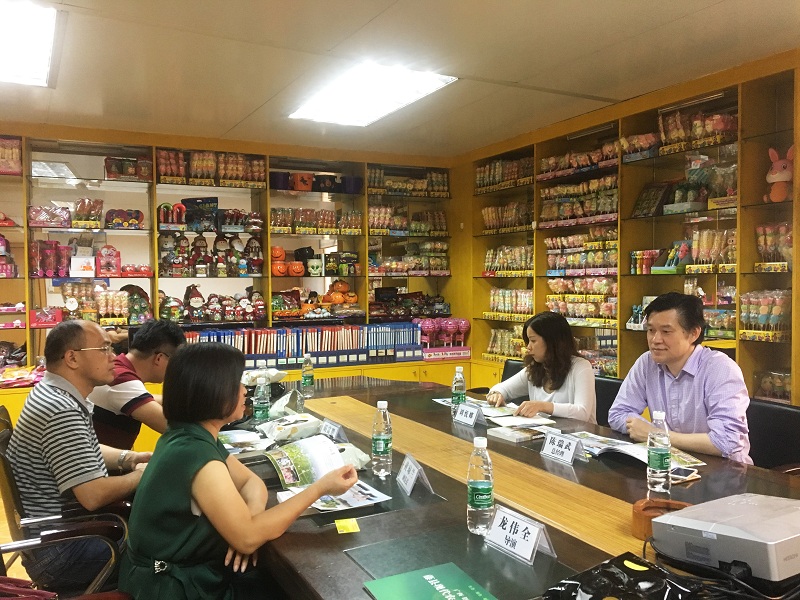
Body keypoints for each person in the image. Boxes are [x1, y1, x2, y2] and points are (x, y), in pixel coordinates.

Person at [119, 342, 357, 599]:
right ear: (213, 391)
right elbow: (248, 538)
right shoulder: (197, 455)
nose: (245, 391)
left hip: (184, 574)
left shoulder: (190, 434)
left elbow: (251, 483)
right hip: (173, 588)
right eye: (237, 383)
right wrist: (320, 488)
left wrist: (249, 523)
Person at [7, 320, 151, 591]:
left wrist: (129, 458)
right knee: (170, 545)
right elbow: (93, 495)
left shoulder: (52, 393)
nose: (114, 357)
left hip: (51, 539)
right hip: (62, 551)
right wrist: (141, 475)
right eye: (104, 349)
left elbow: (83, 450)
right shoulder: (60, 410)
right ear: (72, 358)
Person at [607, 292, 751, 464]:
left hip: (724, 471)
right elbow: (617, 413)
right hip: (668, 463)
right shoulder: (647, 363)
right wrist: (642, 428)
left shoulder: (720, 368)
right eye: (651, 330)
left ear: (693, 334)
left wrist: (657, 435)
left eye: (666, 331)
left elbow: (726, 441)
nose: (655, 340)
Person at [89, 318, 186, 449]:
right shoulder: (122, 380)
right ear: (159, 358)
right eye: (176, 362)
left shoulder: (119, 369)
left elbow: (148, 398)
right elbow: (177, 429)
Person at [486, 312, 597, 423]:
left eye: (533, 341)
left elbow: (582, 413)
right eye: (528, 341)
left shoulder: (581, 367)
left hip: (579, 433)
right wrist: (496, 394)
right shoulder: (535, 367)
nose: (528, 347)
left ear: (552, 341)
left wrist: (542, 406)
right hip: (543, 431)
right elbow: (503, 388)